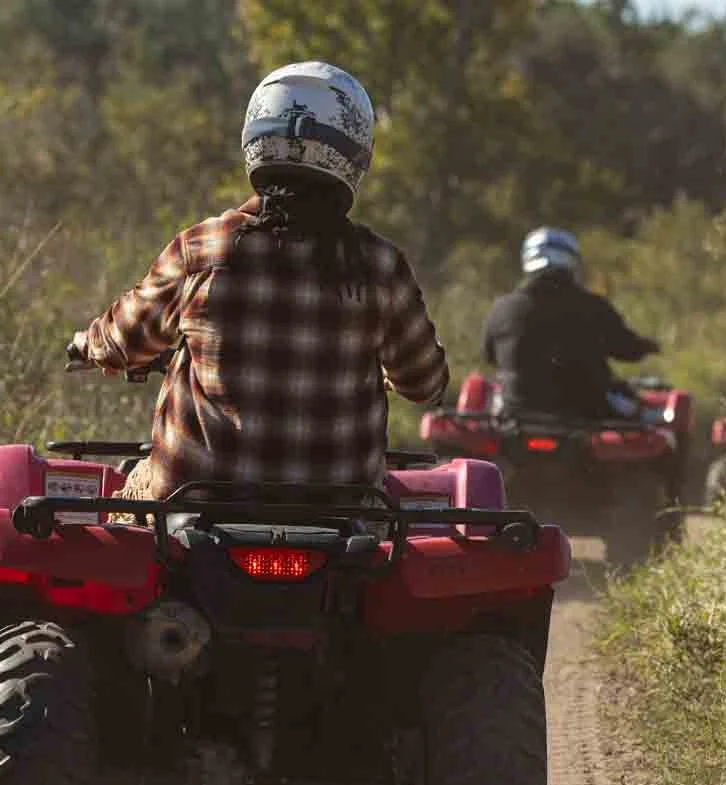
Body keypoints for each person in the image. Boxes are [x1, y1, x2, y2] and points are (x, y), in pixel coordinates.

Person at [66, 61, 449, 502]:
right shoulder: (381, 265)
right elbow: (424, 383)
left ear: (256, 139)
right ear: (355, 151)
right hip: (341, 512)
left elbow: (124, 338)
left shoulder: (203, 248)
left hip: (197, 501)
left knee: (124, 508)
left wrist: (86, 344)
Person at [480, 227, 660, 421]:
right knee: (656, 420)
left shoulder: (501, 308)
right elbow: (627, 350)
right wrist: (648, 346)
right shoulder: (593, 307)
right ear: (571, 261)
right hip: (586, 414)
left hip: (517, 411)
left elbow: (489, 356)